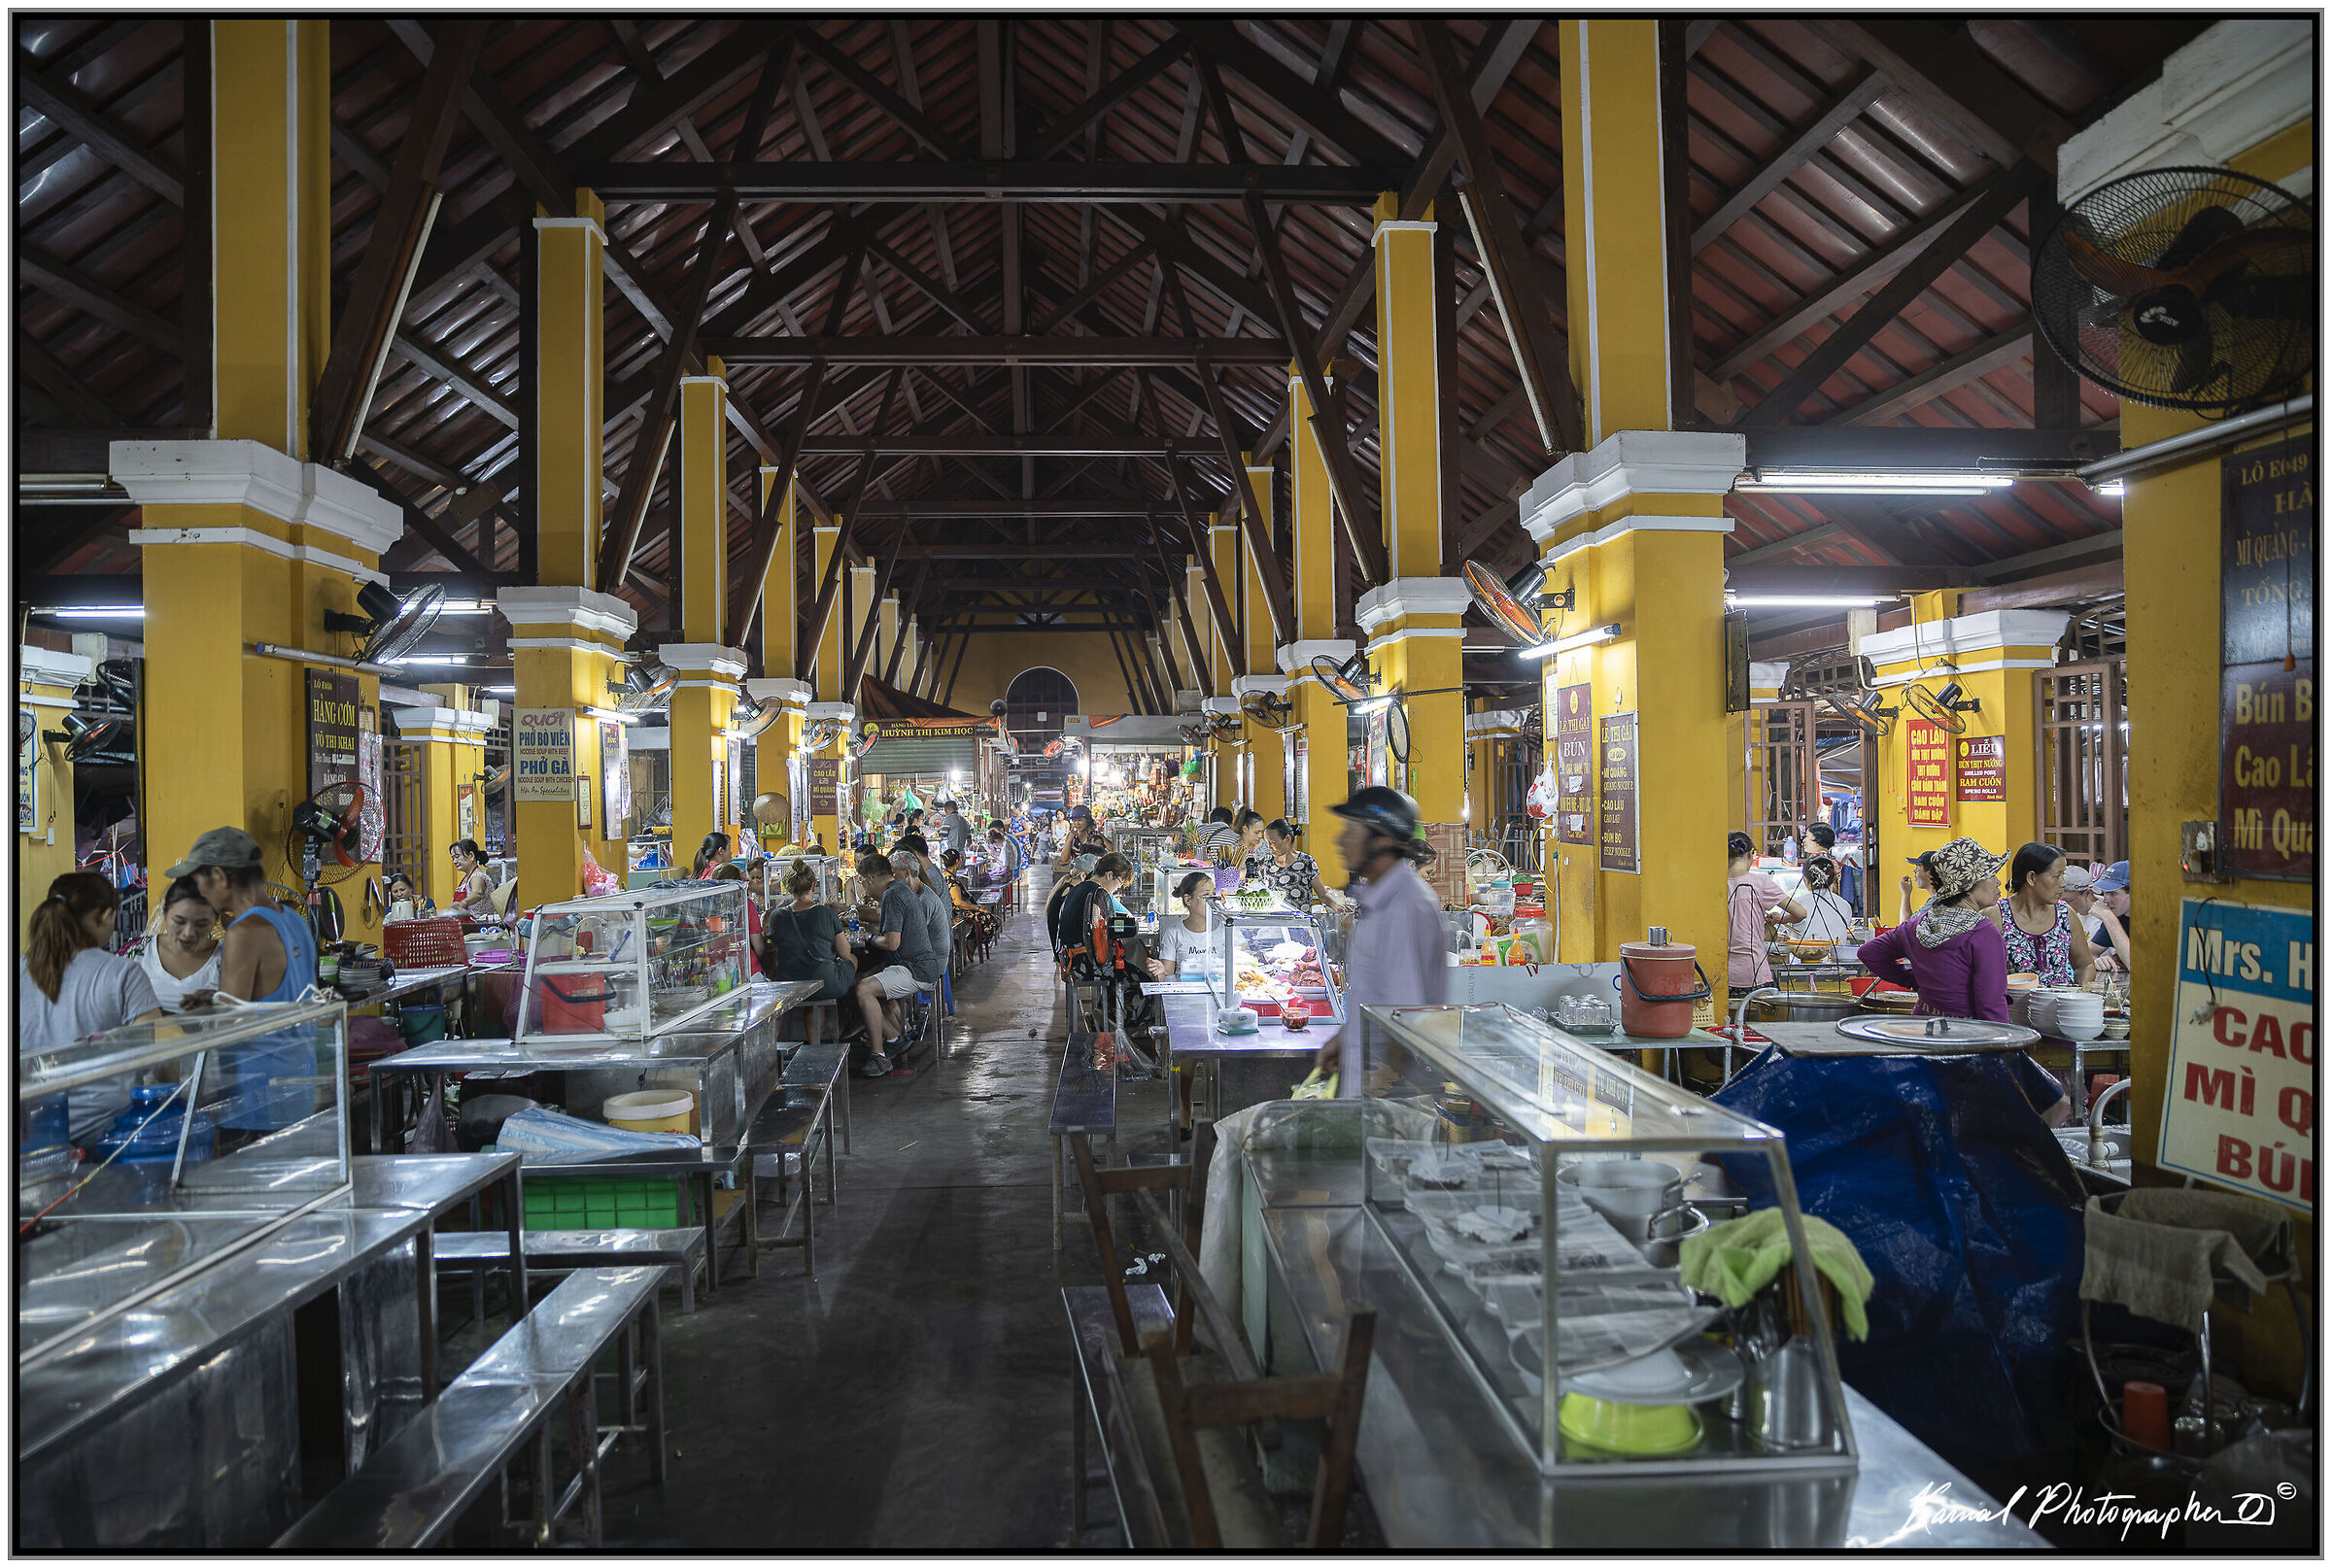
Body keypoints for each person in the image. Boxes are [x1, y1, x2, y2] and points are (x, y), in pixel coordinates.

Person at [172, 826, 322, 1136]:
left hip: (255, 1100)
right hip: (298, 1086)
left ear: (220, 876)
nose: (200, 892)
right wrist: (212, 999)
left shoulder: (244, 932)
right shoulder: (294, 919)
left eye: (199, 882)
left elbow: (229, 1027)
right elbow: (276, 997)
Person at [1313, 788, 1448, 1096]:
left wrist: (1382, 1087)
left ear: (1382, 840)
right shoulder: (1380, 898)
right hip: (1368, 1079)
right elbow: (1375, 994)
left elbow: (1405, 1013)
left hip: (1386, 1091)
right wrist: (1345, 1040)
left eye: (1351, 831)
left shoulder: (1405, 906)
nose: (1340, 840)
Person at [21, 871, 164, 1141]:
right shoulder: (124, 973)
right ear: (106, 915)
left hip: (32, 1134)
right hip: (110, 1134)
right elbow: (154, 1061)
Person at [1857, 837, 2011, 1022]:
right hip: (1966, 1033)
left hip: (1922, 1026)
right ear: (1969, 884)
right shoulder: (1983, 934)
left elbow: (1869, 952)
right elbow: (1992, 1006)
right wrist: (2004, 1040)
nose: (1998, 882)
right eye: (1991, 875)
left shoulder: (1916, 925)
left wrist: (1914, 980)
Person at [847, 852, 943, 1077]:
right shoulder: (899, 889)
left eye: (861, 881)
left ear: (870, 879)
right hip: (913, 964)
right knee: (859, 981)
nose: (862, 888)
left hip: (916, 968)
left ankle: (879, 1056)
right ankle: (894, 1038)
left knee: (863, 989)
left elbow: (892, 943)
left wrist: (868, 938)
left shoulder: (893, 895)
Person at [1996, 842, 2098, 990]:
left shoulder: (2065, 914)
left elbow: (2085, 964)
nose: (2063, 884)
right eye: (2057, 876)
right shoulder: (1997, 916)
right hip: (2012, 1003)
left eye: (2063, 876)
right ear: (2031, 878)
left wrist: (2079, 993)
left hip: (2060, 1002)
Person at [766, 861, 856, 1004]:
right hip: (824, 984)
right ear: (814, 886)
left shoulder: (776, 916)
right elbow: (845, 953)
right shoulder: (827, 913)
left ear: (789, 888)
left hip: (789, 983)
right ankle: (848, 1010)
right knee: (852, 959)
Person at [1726, 832, 1804, 992]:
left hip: (1724, 972)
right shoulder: (1759, 882)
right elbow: (1800, 913)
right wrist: (1781, 919)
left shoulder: (1716, 884)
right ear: (1750, 854)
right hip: (1755, 972)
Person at [138, 875, 223, 1011]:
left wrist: (222, 1003)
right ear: (165, 914)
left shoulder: (228, 960)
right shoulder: (138, 953)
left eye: (201, 924)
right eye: (179, 922)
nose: (188, 933)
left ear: (216, 920)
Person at [1150, 870, 1223, 977]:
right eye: (1206, 895)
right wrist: (1160, 970)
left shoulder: (1225, 930)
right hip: (1185, 988)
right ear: (1188, 899)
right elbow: (1167, 974)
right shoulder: (1174, 933)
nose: (1212, 901)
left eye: (1213, 895)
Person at [1784, 856, 1858, 954]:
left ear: (1806, 880)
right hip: (1837, 958)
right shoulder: (1844, 905)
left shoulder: (1796, 903)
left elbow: (1783, 934)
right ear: (1833, 879)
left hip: (1804, 958)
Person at [706, 863, 766, 977]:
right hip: (748, 970)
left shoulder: (708, 909)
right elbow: (759, 948)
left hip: (717, 972)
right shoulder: (747, 905)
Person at [1246, 819, 1323, 907]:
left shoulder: (1306, 862)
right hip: (1273, 916)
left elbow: (1323, 894)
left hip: (1300, 916)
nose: (1269, 847)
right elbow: (1244, 873)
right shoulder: (1266, 862)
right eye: (1267, 843)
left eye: (1272, 842)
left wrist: (1335, 907)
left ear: (1287, 838)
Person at [2087, 861, 2133, 972]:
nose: (2105, 900)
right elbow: (2089, 954)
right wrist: (2096, 961)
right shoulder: (2118, 915)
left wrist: (2109, 918)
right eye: (2104, 893)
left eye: (2113, 894)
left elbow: (2136, 966)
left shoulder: (2152, 918)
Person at [449, 838, 495, 917]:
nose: (454, 861)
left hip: (477, 923)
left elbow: (477, 893)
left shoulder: (477, 876)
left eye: (457, 857)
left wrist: (463, 903)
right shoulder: (466, 877)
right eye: (453, 858)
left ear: (471, 855)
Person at [1897, 850, 1936, 927]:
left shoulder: (1936, 901)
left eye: (1918, 868)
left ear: (1930, 872)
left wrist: (1905, 894)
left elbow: (1906, 927)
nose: (1914, 872)